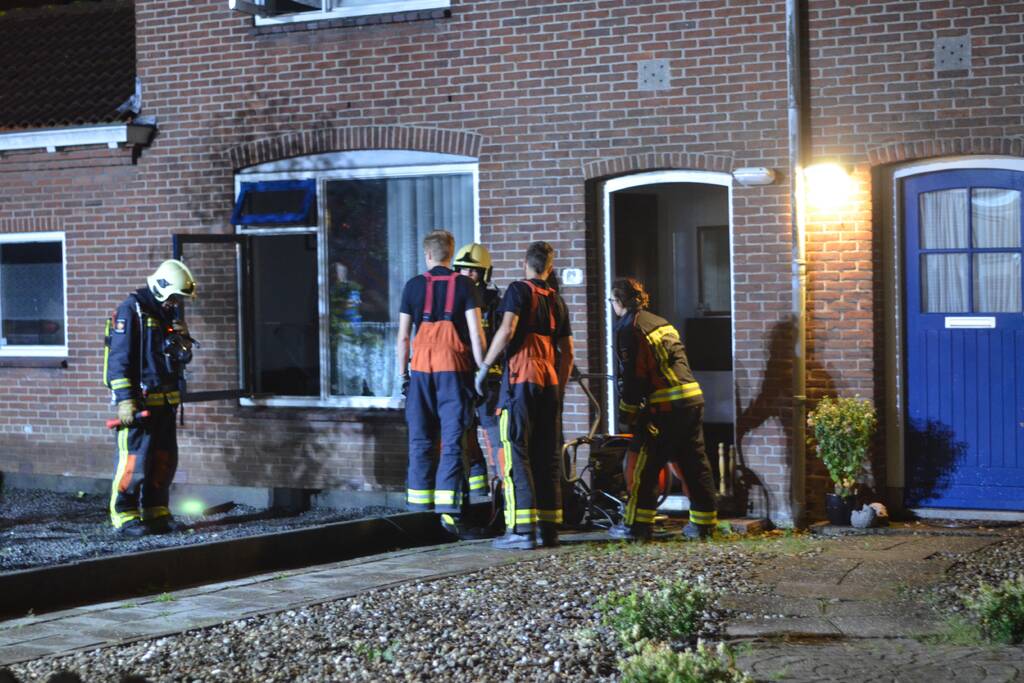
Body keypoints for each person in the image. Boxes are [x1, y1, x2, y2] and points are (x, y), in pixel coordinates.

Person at [475, 241, 574, 549]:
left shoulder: (518, 290)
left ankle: (520, 530)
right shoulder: (557, 300)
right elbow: (568, 352)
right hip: (549, 383)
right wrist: (559, 387)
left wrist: (484, 367)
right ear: (550, 267)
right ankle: (548, 529)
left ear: (525, 263)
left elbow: (506, 331)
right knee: (547, 455)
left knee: (516, 451)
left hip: (520, 379)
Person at [608, 277, 717, 541]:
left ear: (620, 301)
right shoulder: (661, 322)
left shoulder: (628, 328)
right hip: (691, 400)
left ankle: (636, 526)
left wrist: (627, 413)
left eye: (612, 301)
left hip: (665, 407)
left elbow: (635, 376)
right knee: (694, 462)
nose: (612, 305)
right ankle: (704, 524)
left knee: (645, 464)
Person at [396, 230, 487, 539]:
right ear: (451, 254)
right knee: (452, 441)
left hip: (420, 373)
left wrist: (403, 377)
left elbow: (403, 338)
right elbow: (476, 334)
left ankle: (418, 512)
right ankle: (450, 513)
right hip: (454, 373)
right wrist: (482, 371)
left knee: (420, 440)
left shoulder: (412, 286)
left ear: (428, 255)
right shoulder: (465, 285)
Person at [104, 259, 197, 536]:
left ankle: (156, 511)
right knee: (134, 463)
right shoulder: (130, 311)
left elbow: (178, 357)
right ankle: (125, 516)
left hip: (166, 403)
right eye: (175, 297)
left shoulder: (164, 314)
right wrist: (124, 399)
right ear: (161, 288)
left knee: (164, 460)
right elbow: (119, 359)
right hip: (139, 405)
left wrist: (185, 340)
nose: (176, 303)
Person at [453, 243, 502, 508]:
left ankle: (503, 491)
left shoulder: (495, 303)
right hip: (461, 379)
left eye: (472, 272)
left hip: (490, 382)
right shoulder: (453, 302)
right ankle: (477, 490)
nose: (466, 276)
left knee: (495, 438)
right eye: (462, 270)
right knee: (465, 436)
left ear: (484, 274)